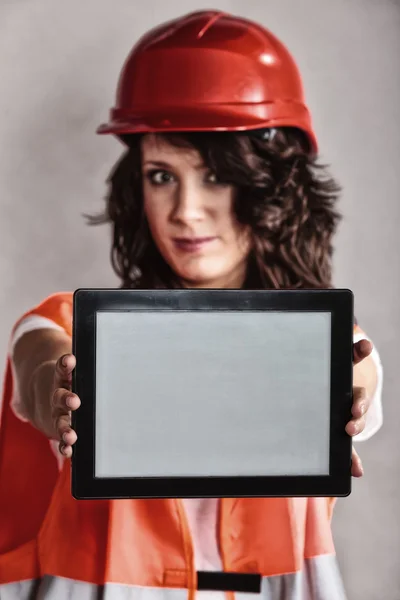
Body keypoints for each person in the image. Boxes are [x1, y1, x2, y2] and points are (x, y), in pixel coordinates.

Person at [0, 9, 383, 600]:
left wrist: (346, 391)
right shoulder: (63, 323)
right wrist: (63, 394)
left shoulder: (328, 340)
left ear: (271, 184)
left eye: (215, 175)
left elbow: (363, 373)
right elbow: (39, 365)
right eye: (161, 176)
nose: (185, 211)